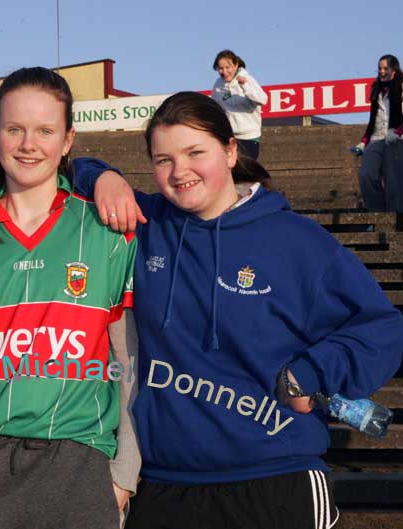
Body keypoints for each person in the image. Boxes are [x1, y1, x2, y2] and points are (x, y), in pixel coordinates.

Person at [74, 91, 403, 529]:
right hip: (163, 484)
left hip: (274, 477)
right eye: (163, 159)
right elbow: (63, 167)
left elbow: (382, 328)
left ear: (231, 151)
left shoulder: (295, 240)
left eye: (196, 153)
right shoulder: (149, 223)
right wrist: (103, 177)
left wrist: (312, 372)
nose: (180, 172)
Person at [0, 67, 140, 529]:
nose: (29, 144)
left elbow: (129, 364)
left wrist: (125, 473)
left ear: (67, 141)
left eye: (45, 131)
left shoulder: (108, 234)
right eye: (15, 129)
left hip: (82, 464)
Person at [353, 54, 403, 211]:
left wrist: (398, 132)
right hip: (376, 138)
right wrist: (364, 142)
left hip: (395, 138)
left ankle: (395, 218)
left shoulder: (401, 87)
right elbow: (373, 119)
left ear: (394, 70)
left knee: (393, 180)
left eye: (385, 68)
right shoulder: (376, 89)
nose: (382, 71)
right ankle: (377, 213)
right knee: (366, 175)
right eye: (380, 68)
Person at [211, 49, 267, 160]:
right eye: (220, 68)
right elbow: (215, 108)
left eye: (228, 67)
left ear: (236, 65)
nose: (224, 71)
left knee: (245, 172)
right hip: (229, 137)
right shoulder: (218, 84)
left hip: (248, 137)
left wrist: (245, 86)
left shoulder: (247, 79)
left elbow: (263, 100)